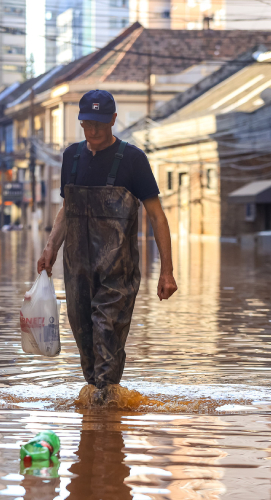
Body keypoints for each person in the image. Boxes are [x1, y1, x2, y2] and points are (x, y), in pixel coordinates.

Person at [37, 90, 177, 404]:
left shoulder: (132, 159)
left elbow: (156, 214)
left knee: (106, 335)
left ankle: (106, 419)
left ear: (113, 120)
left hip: (118, 273)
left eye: (100, 123)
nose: (94, 131)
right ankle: (98, 424)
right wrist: (50, 248)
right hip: (77, 271)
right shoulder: (71, 157)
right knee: (86, 343)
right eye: (87, 123)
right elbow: (66, 209)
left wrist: (166, 272)